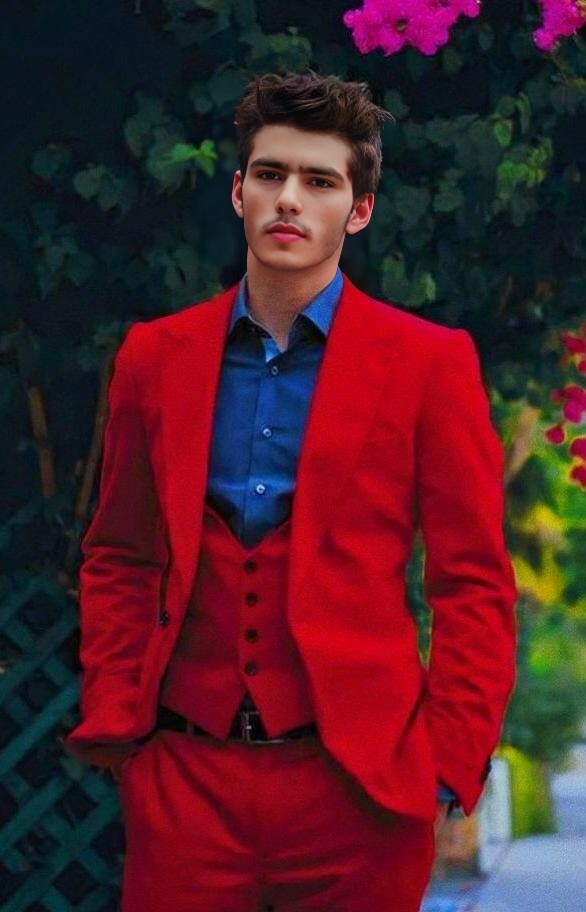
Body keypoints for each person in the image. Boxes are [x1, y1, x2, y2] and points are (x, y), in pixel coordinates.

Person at [63, 70, 518, 912]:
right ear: (239, 191)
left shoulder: (429, 363)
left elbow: (473, 583)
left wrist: (446, 759)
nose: (289, 199)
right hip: (186, 783)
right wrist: (122, 720)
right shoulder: (155, 358)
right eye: (270, 174)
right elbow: (121, 554)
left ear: (359, 210)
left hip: (360, 792)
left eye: (320, 181)